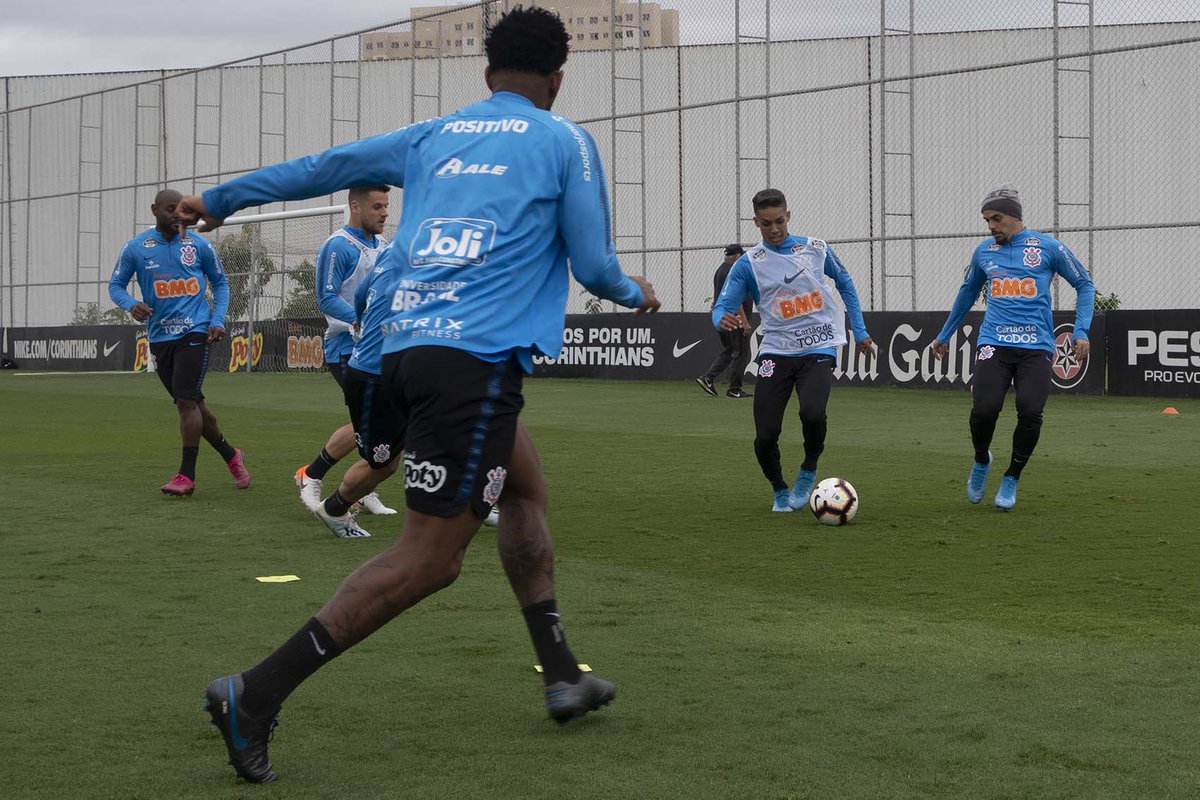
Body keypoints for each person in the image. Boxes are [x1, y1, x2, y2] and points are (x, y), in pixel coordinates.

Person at [179, 6, 659, 783]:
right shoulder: (565, 139)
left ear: (486, 73)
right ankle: (253, 693)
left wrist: (224, 197)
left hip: (402, 349)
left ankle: (562, 673)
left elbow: (325, 165)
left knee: (527, 490)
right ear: (557, 80)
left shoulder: (436, 135)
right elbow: (596, 267)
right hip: (472, 362)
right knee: (429, 561)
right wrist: (639, 291)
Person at [931, 185, 1094, 510]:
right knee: (985, 409)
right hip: (995, 343)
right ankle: (981, 460)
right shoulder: (983, 252)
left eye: (996, 218)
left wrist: (1081, 331)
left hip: (1036, 347)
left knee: (1031, 412)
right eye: (987, 219)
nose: (991, 225)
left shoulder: (1047, 247)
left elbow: (1085, 284)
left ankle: (1012, 476)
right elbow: (967, 293)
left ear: (1015, 217)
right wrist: (944, 334)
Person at [712, 188, 874, 513]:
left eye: (780, 221)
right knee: (765, 435)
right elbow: (722, 306)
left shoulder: (815, 249)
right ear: (756, 221)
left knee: (812, 413)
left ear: (789, 216)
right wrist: (721, 318)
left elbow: (846, 284)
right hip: (775, 352)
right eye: (766, 223)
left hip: (819, 346)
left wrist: (861, 331)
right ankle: (779, 489)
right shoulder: (748, 264)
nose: (774, 229)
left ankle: (809, 467)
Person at [108, 189, 251, 496]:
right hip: (160, 337)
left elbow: (221, 283)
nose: (177, 214)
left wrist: (216, 320)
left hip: (195, 331)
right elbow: (116, 285)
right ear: (154, 209)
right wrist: (131, 304)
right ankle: (231, 455)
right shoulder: (136, 247)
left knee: (186, 402)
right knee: (195, 405)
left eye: (181, 208)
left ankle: (186, 476)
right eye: (170, 208)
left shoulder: (199, 244)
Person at [294, 187, 397, 518]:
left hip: (378, 351)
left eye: (386, 206)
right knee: (368, 426)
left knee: (373, 426)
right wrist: (358, 318)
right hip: (345, 349)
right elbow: (325, 297)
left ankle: (361, 488)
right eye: (377, 206)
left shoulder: (382, 246)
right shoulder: (338, 245)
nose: (384, 213)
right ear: (355, 206)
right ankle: (312, 475)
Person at [696, 243, 753, 398]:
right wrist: (744, 321)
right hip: (734, 318)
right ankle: (734, 389)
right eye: (741, 255)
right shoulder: (732, 271)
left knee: (730, 350)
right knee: (741, 353)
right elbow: (736, 298)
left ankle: (708, 377)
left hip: (723, 316)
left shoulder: (721, 269)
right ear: (736, 256)